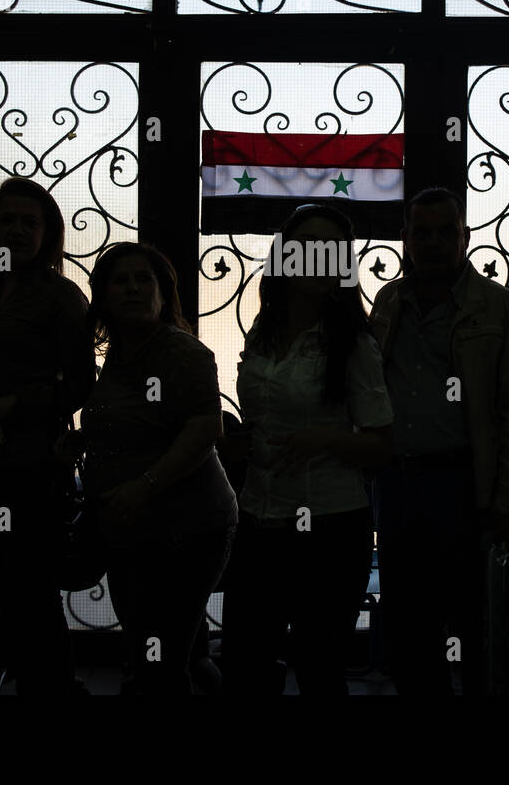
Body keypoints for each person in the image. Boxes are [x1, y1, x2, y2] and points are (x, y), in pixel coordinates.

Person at [368, 186, 509, 695]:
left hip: (466, 485)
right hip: (399, 486)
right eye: (421, 232)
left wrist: (506, 502)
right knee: (410, 632)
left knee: (478, 630)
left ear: (464, 236)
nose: (433, 242)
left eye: (446, 231)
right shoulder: (388, 302)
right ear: (404, 239)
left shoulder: (503, 311)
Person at [222, 204, 392, 695]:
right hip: (259, 519)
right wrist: (240, 441)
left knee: (320, 669)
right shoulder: (263, 331)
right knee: (245, 664)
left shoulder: (353, 343)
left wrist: (325, 438)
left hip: (330, 528)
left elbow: (382, 445)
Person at [68, 242, 237, 695]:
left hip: (185, 529)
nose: (133, 289)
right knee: (156, 646)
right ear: (102, 297)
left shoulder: (182, 352)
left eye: (145, 280)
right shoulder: (118, 357)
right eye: (119, 281)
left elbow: (205, 429)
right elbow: (134, 423)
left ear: (165, 294)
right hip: (130, 527)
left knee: (157, 655)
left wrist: (144, 486)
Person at [0, 177, 93, 694]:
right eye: (7, 220)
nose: (17, 230)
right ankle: (30, 678)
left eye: (31, 222)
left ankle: (54, 687)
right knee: (12, 583)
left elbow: (78, 385)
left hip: (33, 469)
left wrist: (2, 410)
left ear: (47, 234)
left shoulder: (61, 297)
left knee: (32, 588)